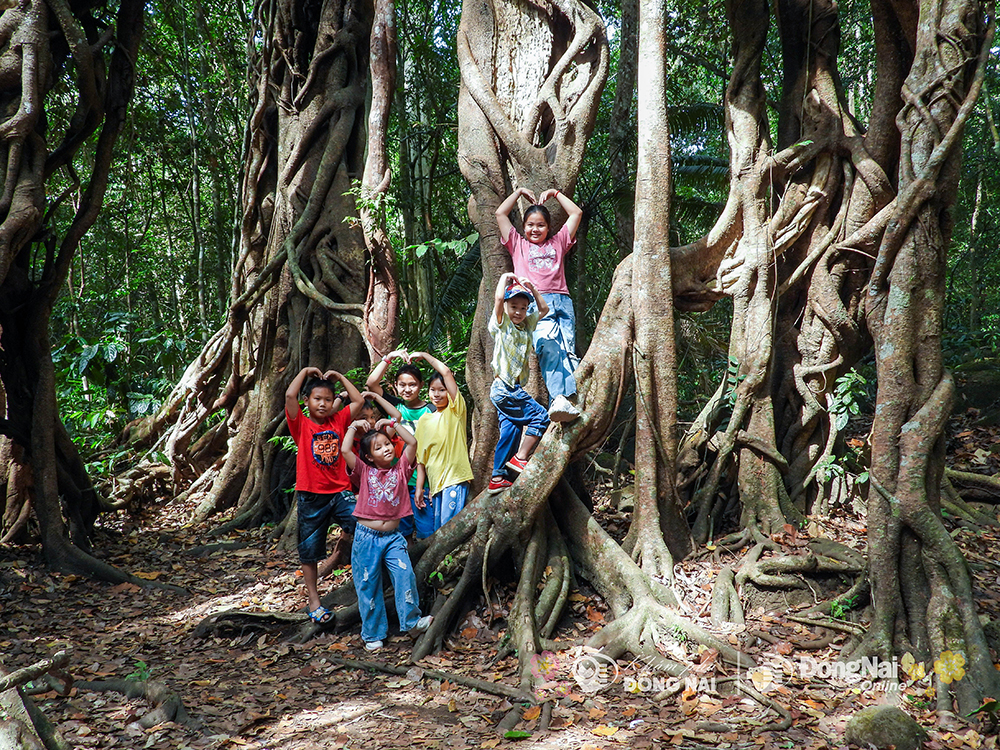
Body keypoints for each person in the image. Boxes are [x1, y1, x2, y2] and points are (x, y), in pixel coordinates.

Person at [342, 417, 432, 651]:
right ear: (369, 457)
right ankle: (373, 633)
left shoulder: (401, 468)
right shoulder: (364, 471)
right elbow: (344, 449)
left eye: (388, 443)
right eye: (378, 447)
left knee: (405, 575)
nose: (386, 448)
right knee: (367, 584)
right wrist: (353, 427)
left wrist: (394, 425)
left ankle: (411, 622)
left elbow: (412, 443)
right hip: (365, 538)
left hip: (393, 538)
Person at [284, 366, 365, 624]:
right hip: (311, 496)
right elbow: (289, 396)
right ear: (307, 401)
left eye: (327, 399)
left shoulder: (338, 420)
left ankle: (368, 583)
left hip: (340, 491)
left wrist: (340, 377)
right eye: (317, 399)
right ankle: (314, 600)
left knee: (364, 527)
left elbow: (360, 400)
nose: (322, 404)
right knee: (310, 551)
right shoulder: (301, 424)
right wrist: (306, 372)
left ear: (333, 403)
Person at [495, 186, 584, 422]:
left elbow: (576, 214)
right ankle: (558, 400)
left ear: (548, 227)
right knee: (547, 348)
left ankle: (572, 402)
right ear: (523, 228)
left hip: (562, 302)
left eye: (541, 225)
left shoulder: (559, 242)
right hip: (535, 303)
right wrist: (519, 193)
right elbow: (500, 214)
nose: (535, 229)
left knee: (568, 354)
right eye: (530, 225)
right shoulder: (518, 245)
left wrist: (556, 194)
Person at [487, 273, 551, 492]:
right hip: (504, 387)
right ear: (506, 307)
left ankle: (497, 477)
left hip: (510, 389)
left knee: (511, 431)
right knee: (541, 415)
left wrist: (532, 288)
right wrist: (505, 277)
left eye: (523, 308)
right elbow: (497, 300)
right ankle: (521, 457)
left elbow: (544, 310)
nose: (519, 312)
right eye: (514, 306)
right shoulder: (502, 325)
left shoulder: (527, 326)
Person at [366, 351, 435, 539]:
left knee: (427, 531)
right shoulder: (395, 407)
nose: (407, 389)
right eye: (402, 385)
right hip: (397, 481)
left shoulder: (432, 409)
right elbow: (372, 384)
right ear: (395, 386)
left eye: (412, 384)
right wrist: (390, 357)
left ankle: (424, 567)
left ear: (421, 385)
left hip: (426, 481)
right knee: (401, 533)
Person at [410, 352, 474, 532]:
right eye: (433, 389)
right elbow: (421, 460)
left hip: (455, 479)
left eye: (442, 389)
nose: (436, 394)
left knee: (449, 530)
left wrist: (424, 355)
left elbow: (446, 372)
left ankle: (455, 562)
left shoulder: (456, 411)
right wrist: (420, 489)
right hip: (436, 486)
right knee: (440, 532)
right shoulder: (424, 420)